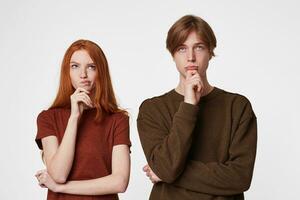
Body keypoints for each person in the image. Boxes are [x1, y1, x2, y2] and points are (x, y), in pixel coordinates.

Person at [137, 15, 257, 200]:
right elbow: (166, 167)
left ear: (210, 51)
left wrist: (169, 174)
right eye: (182, 48)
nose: (191, 57)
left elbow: (240, 177)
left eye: (199, 47)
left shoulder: (237, 107)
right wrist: (188, 105)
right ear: (173, 54)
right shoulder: (152, 109)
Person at [35, 39, 131, 200]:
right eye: (75, 66)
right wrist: (74, 117)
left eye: (91, 67)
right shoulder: (48, 118)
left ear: (101, 71)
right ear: (67, 71)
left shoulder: (117, 120)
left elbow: (119, 182)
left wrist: (59, 187)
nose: (83, 74)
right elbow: (58, 174)